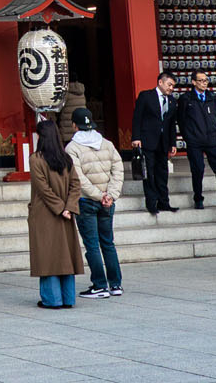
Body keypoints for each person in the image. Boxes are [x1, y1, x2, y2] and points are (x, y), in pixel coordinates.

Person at [65, 107, 124, 298]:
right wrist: (110, 194)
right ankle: (115, 284)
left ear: (74, 125)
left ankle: (99, 285)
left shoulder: (72, 148)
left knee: (92, 244)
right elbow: (118, 169)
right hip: (107, 201)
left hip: (86, 200)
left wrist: (99, 195)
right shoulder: (107, 143)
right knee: (108, 242)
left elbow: (78, 178)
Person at [29, 118, 87, 307]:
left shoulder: (36, 159)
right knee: (65, 255)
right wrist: (69, 207)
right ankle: (68, 298)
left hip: (46, 213)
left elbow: (43, 189)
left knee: (48, 256)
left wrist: (61, 208)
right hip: (65, 214)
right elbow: (75, 184)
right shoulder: (65, 158)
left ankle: (52, 299)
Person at [177, 70, 216, 216]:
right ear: (193, 82)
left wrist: (215, 132)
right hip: (194, 141)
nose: (204, 83)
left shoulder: (211, 97)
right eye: (201, 80)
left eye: (206, 80)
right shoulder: (186, 98)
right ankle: (198, 198)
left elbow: (215, 116)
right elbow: (181, 120)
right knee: (198, 169)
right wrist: (188, 137)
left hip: (212, 140)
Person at [130, 73, 180, 214]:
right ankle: (151, 203)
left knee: (162, 173)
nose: (171, 88)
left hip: (163, 143)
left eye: (173, 86)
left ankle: (164, 202)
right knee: (149, 173)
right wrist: (136, 137)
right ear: (160, 82)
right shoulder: (146, 96)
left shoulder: (172, 101)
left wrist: (173, 143)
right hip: (147, 140)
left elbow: (171, 124)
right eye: (169, 85)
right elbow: (137, 118)